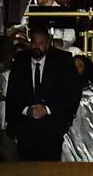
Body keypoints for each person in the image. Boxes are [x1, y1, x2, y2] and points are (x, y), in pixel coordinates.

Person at [5, 28, 78, 160]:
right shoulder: (20, 61)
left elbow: (71, 93)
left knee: (49, 173)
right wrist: (27, 110)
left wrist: (47, 109)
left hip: (53, 127)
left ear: (48, 43)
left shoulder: (62, 61)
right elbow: (12, 94)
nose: (37, 46)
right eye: (34, 42)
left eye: (41, 42)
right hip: (26, 129)